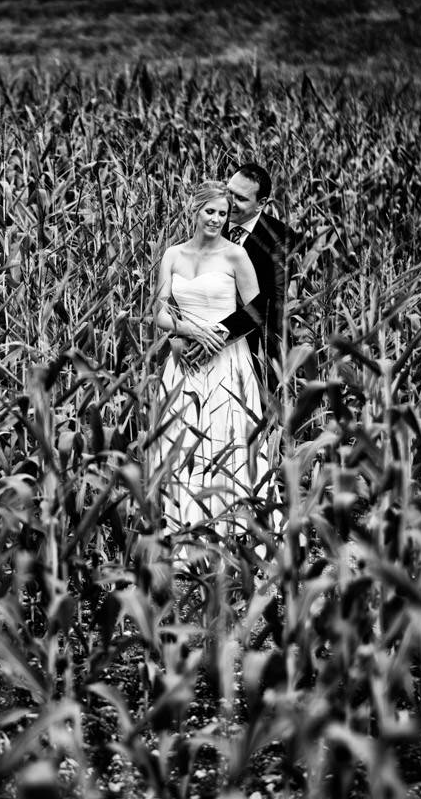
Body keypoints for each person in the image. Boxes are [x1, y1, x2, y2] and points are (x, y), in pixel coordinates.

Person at [151, 180, 267, 567]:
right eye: (210, 211)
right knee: (183, 444)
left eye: (222, 212)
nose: (217, 219)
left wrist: (216, 335)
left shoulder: (236, 256)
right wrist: (185, 333)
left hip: (225, 361)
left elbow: (255, 311)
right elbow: (161, 311)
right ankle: (185, 542)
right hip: (184, 359)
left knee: (225, 442)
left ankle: (230, 542)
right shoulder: (172, 254)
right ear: (195, 210)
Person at [214, 163, 294, 396]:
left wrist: (224, 330)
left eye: (240, 198)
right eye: (228, 192)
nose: (229, 202)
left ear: (261, 204)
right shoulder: (211, 222)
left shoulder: (281, 237)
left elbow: (271, 300)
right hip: (205, 338)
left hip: (252, 347)